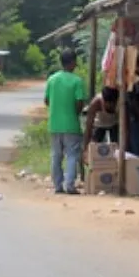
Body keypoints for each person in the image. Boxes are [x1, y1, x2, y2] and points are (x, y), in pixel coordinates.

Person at [45, 49, 86, 194]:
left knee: (56, 156)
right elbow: (79, 102)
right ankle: (70, 185)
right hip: (71, 125)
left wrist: (56, 110)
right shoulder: (77, 81)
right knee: (72, 155)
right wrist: (74, 113)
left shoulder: (52, 79)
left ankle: (57, 185)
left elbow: (47, 100)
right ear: (73, 62)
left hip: (54, 124)